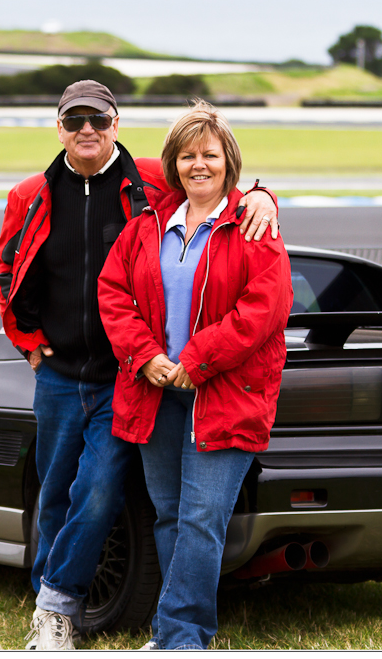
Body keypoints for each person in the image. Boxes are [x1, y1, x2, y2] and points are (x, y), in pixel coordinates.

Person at [0, 81, 279, 650]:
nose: (87, 131)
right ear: (59, 127)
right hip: (86, 377)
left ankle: (155, 630)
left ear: (116, 124)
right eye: (75, 120)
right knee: (62, 497)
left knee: (110, 496)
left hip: (145, 382)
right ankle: (56, 616)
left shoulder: (152, 185)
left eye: (97, 121)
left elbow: (221, 186)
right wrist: (26, 340)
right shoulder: (35, 194)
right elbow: (16, 272)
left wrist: (264, 194)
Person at [97, 100, 293, 650]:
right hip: (156, 394)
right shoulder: (148, 225)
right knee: (169, 516)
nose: (198, 165)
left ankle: (182, 639)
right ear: (173, 163)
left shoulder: (254, 224)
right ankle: (174, 631)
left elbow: (264, 311)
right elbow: (114, 295)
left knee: (202, 520)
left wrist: (195, 360)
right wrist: (146, 356)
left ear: (228, 160)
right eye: (186, 156)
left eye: (209, 154)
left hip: (224, 393)